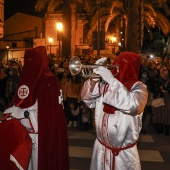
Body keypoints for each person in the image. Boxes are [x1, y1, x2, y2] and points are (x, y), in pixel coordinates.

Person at [3, 46, 69, 170]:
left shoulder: (49, 82)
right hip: (25, 138)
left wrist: (23, 114)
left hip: (40, 138)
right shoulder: (27, 80)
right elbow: (19, 102)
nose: (28, 65)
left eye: (31, 61)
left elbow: (47, 115)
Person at [81, 52, 148, 170]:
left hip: (124, 156)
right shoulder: (105, 84)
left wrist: (112, 81)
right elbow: (86, 98)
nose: (119, 65)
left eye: (124, 63)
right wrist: (94, 77)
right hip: (101, 149)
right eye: (118, 61)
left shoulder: (139, 87)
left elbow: (134, 105)